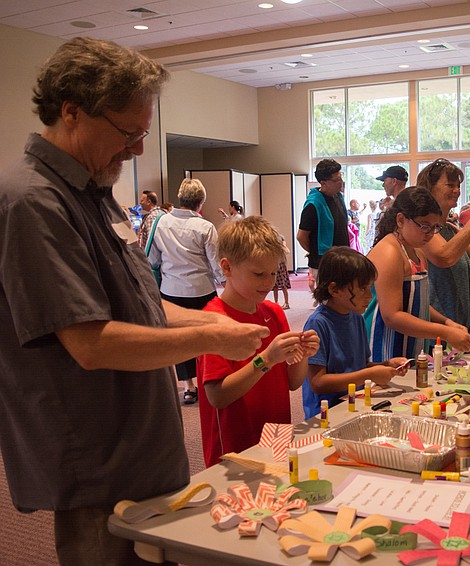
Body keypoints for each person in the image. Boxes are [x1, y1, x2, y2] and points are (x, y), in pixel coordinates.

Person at [0, 37, 270, 565]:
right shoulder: (34, 201)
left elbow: (142, 304)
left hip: (142, 441)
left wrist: (213, 320)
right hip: (99, 455)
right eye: (129, 133)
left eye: (144, 133)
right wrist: (212, 333)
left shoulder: (94, 191)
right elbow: (90, 342)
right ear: (71, 111)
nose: (139, 150)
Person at [197, 216, 319, 467]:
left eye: (274, 272)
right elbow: (218, 397)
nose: (268, 282)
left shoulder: (273, 313)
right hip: (233, 448)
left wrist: (304, 353)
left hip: (275, 435)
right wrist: (266, 360)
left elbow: (293, 383)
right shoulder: (214, 320)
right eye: (259, 274)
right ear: (227, 267)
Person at [365, 187, 470, 361]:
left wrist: (446, 322)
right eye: (424, 226)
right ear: (401, 220)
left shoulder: (417, 250)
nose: (429, 234)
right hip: (384, 345)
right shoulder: (389, 252)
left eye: (434, 228)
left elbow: (418, 302)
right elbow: (392, 316)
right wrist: (445, 332)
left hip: (410, 345)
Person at [302, 247, 409, 419]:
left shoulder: (357, 318)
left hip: (354, 405)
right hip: (326, 414)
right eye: (362, 290)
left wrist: (386, 365)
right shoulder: (318, 323)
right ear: (334, 290)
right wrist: (369, 375)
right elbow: (317, 383)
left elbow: (360, 366)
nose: (369, 296)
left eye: (370, 289)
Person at [148, 177, 225, 404]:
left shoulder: (160, 223)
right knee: (205, 337)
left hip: (171, 289)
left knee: (179, 339)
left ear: (180, 198)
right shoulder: (205, 227)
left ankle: (188, 386)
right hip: (201, 289)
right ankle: (207, 379)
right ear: (201, 201)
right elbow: (215, 262)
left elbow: (152, 258)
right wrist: (226, 283)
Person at [416, 159, 470, 334]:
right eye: (450, 185)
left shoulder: (451, 229)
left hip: (462, 325)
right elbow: (444, 256)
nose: (456, 190)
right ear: (429, 188)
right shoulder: (423, 230)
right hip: (439, 330)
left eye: (458, 185)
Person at [297, 159, 349, 281]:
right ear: (323, 183)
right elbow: (301, 236)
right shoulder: (313, 204)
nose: (340, 182)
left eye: (341, 177)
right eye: (336, 180)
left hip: (342, 258)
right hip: (324, 263)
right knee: (328, 298)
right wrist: (315, 252)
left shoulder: (338, 197)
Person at [273, 232, 292, 309]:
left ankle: (286, 303)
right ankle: (276, 302)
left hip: (281, 268)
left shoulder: (283, 249)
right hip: (275, 267)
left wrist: (283, 245)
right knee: (275, 286)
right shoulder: (274, 248)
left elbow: (287, 251)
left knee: (283, 286)